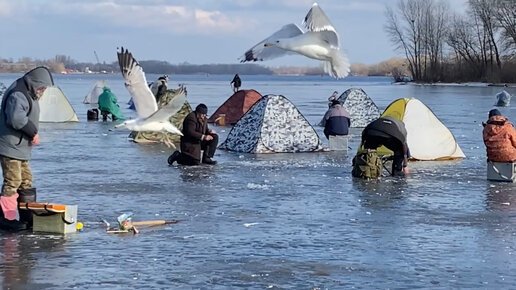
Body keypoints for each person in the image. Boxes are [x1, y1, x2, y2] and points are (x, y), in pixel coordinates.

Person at [0, 66, 54, 231]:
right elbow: (16, 119)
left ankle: (27, 217)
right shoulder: (18, 94)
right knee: (13, 181)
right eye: (42, 87)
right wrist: (33, 132)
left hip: (21, 147)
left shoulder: (29, 91)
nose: (43, 90)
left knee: (26, 180)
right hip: (10, 146)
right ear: (35, 83)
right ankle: (6, 219)